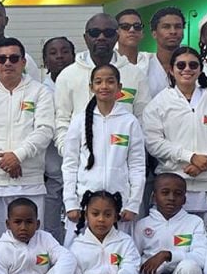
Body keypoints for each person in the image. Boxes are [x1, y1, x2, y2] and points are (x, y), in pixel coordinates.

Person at [0, 38, 55, 256]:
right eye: (2, 59)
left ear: (23, 62)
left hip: (30, 182)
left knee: (33, 248)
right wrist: (1, 158)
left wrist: (19, 156)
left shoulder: (39, 92)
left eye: (14, 58)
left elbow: (45, 130)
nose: (8, 63)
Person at [142, 46, 207, 224]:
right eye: (181, 65)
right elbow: (153, 142)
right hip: (172, 189)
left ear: (200, 69)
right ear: (171, 70)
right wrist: (190, 157)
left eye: (193, 65)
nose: (187, 69)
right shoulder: (159, 104)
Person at [61, 64, 146, 243]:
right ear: (91, 87)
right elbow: (70, 164)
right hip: (85, 205)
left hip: (119, 207)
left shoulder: (129, 122)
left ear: (119, 87)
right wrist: (71, 203)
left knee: (117, 258)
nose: (104, 86)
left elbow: (137, 166)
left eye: (110, 81)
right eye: (98, 82)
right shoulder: (78, 121)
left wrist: (133, 203)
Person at [54, 14, 149, 147]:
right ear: (85, 38)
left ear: (116, 37)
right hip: (80, 162)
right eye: (94, 33)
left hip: (122, 161)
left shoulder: (135, 75)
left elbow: (143, 120)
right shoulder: (67, 76)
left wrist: (130, 153)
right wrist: (70, 152)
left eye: (108, 33)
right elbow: (62, 121)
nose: (101, 38)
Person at [39, 37, 75, 242]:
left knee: (76, 228)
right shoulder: (39, 90)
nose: (60, 56)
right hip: (48, 173)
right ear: (45, 60)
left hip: (77, 170)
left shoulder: (84, 84)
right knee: (49, 229)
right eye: (53, 53)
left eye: (65, 51)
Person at [144, 7, 185, 99]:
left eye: (178, 27)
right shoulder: (144, 66)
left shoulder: (193, 66)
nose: (173, 31)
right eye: (166, 27)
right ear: (154, 33)